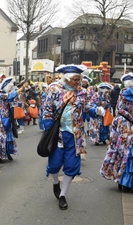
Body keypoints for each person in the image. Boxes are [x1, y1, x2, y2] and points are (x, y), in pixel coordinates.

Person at [42, 64, 89, 210]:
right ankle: (56, 182)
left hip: (75, 135)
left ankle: (62, 195)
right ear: (67, 79)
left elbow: (86, 108)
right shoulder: (54, 89)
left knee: (71, 166)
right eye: (76, 79)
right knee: (55, 164)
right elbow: (47, 110)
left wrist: (96, 111)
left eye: (79, 79)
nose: (78, 82)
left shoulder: (82, 92)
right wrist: (50, 131)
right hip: (58, 134)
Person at [0, 77, 23, 162]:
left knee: (8, 137)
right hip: (1, 118)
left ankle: (7, 152)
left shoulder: (4, 94)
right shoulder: (1, 94)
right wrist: (19, 90)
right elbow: (10, 96)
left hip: (7, 117)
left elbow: (13, 99)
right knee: (1, 137)